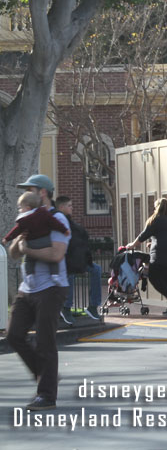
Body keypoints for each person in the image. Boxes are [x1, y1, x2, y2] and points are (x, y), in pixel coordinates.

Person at [6, 174, 70, 410]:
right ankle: (45, 375)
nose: (25, 193)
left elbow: (56, 254)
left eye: (30, 189)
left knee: (45, 341)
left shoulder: (56, 218)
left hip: (51, 288)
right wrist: (18, 244)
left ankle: (46, 396)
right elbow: (14, 253)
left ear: (42, 192)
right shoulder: (27, 218)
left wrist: (27, 250)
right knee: (13, 335)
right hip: (28, 288)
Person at [127, 198, 167, 316]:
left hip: (162, 255)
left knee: (153, 276)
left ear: (157, 208)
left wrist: (132, 245)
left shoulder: (156, 219)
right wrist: (152, 244)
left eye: (155, 208)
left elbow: (143, 235)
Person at [55, 196, 103, 322]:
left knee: (96, 269)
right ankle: (66, 308)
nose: (72, 208)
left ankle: (93, 306)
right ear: (61, 207)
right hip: (62, 260)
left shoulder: (70, 222)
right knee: (70, 273)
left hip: (76, 259)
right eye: (69, 205)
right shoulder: (57, 220)